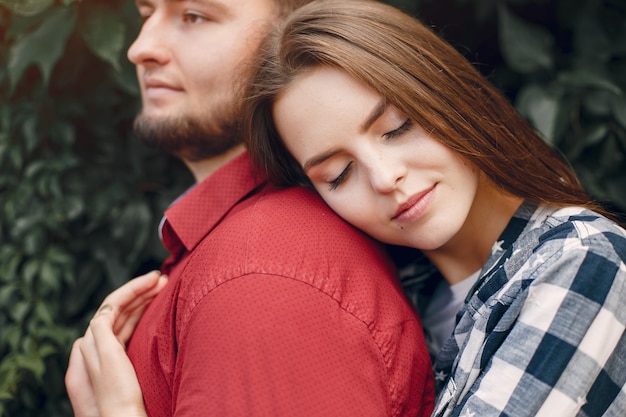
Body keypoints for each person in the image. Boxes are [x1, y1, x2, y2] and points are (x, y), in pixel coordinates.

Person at [241, 0, 626, 416]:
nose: (385, 178)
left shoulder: (583, 259)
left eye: (397, 127)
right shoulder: (393, 298)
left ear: (446, 93)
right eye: (338, 173)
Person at [64, 0, 436, 416]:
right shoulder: (241, 256)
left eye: (194, 16)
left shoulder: (259, 275)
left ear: (292, 29)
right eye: (146, 14)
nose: (140, 47)